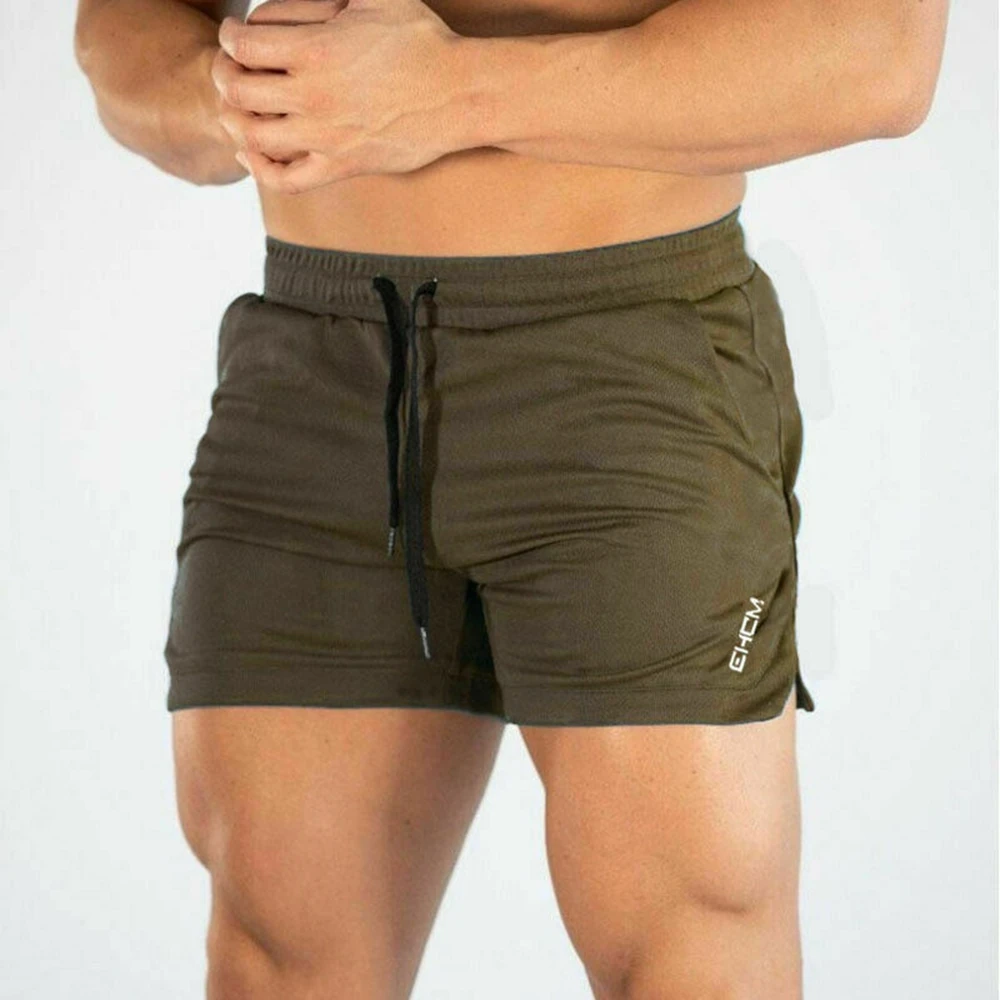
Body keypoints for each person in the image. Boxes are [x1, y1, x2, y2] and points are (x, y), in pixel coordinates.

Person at [73, 0, 947, 996]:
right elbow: (122, 27)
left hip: (626, 370)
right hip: (317, 373)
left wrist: (451, 91)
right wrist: (238, 100)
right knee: (278, 955)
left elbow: (882, 51)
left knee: (695, 945)